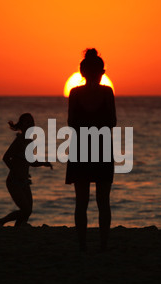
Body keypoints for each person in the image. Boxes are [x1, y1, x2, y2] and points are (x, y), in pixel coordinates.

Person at [66, 48, 116, 251]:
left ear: (82, 72)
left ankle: (82, 244)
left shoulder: (75, 93)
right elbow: (112, 121)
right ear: (102, 72)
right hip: (102, 147)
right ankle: (103, 244)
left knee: (82, 201)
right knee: (103, 201)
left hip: (80, 148)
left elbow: (71, 122)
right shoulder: (107, 92)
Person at [0, 113, 53, 227]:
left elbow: (31, 161)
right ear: (21, 125)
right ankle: (1, 221)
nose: (30, 125)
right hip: (14, 181)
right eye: (27, 122)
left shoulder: (30, 142)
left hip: (24, 181)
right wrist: (14, 170)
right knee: (25, 209)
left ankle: (19, 227)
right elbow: (6, 157)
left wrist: (44, 163)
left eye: (32, 122)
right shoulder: (19, 141)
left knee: (28, 211)